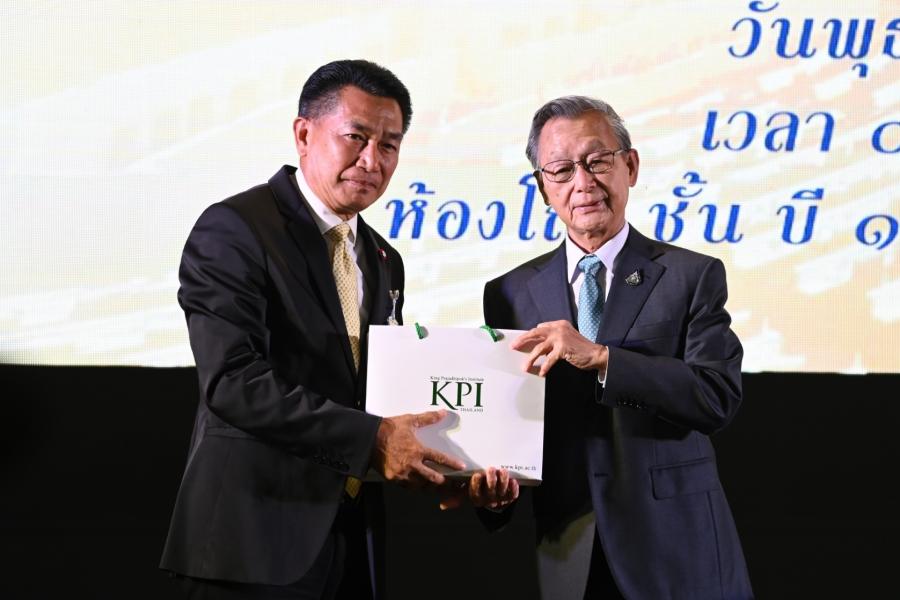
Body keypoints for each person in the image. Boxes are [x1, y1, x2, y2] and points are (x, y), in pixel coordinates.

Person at [159, 59, 469, 600]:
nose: (372, 160)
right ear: (304, 134)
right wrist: (374, 439)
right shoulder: (235, 229)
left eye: (390, 145)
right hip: (250, 542)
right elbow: (232, 381)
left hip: (350, 543)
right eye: (356, 137)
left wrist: (459, 461)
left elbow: (376, 395)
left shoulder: (383, 258)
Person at [482, 96, 753, 599]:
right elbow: (507, 423)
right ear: (542, 187)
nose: (582, 183)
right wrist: (494, 492)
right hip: (567, 545)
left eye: (597, 161)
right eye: (561, 170)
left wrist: (605, 359)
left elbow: (716, 396)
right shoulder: (508, 293)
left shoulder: (691, 275)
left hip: (674, 546)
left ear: (630, 166)